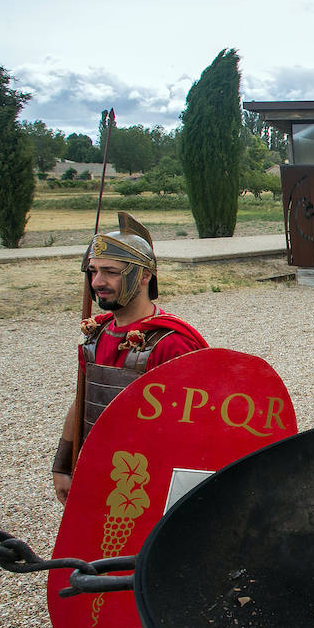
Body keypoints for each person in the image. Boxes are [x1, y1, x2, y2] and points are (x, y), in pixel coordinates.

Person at [52, 212, 208, 504]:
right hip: (94, 470)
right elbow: (83, 399)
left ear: (144, 275)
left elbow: (191, 431)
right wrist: (62, 464)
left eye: (111, 272)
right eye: (93, 271)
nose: (98, 281)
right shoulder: (95, 335)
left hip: (143, 487)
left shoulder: (171, 343)